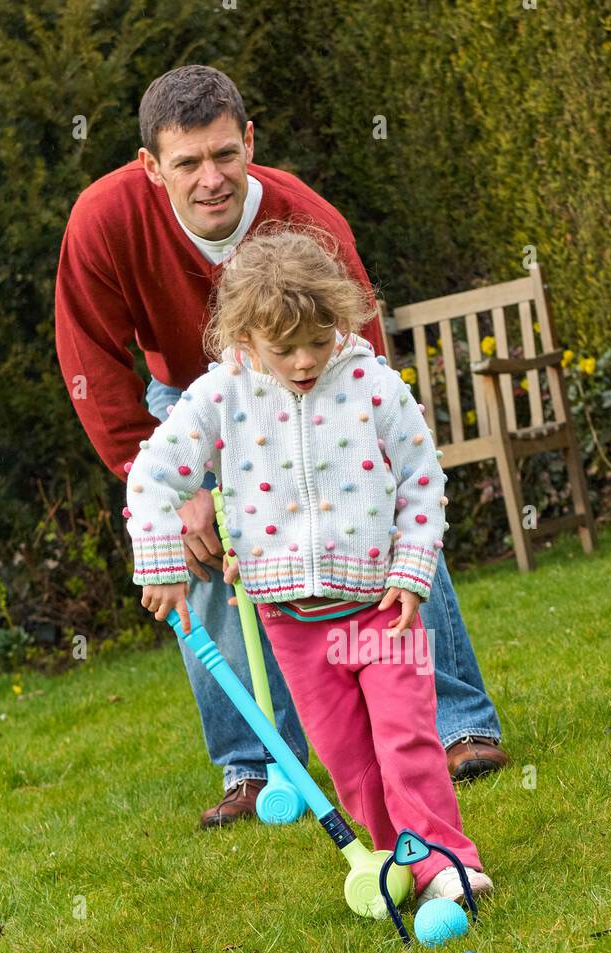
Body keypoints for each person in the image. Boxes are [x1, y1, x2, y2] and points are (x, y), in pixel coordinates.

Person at [55, 63, 510, 829]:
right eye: (188, 162)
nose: (211, 179)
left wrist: (375, 459)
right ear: (149, 167)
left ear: (249, 142)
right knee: (201, 551)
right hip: (189, 394)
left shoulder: (307, 218)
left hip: (315, 376)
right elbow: (91, 361)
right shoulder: (103, 221)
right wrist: (169, 481)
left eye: (225, 154)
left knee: (391, 518)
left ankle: (457, 721)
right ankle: (256, 763)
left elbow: (360, 344)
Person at [126, 226, 493, 907]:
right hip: (293, 625)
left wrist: (411, 569)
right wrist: (160, 566)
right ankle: (395, 856)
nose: (303, 361)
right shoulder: (220, 396)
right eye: (283, 348)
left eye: (318, 342)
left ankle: (445, 860)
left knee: (407, 741)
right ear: (244, 338)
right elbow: (151, 477)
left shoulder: (371, 385)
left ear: (340, 321)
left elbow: (420, 479)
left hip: (380, 609)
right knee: (349, 763)